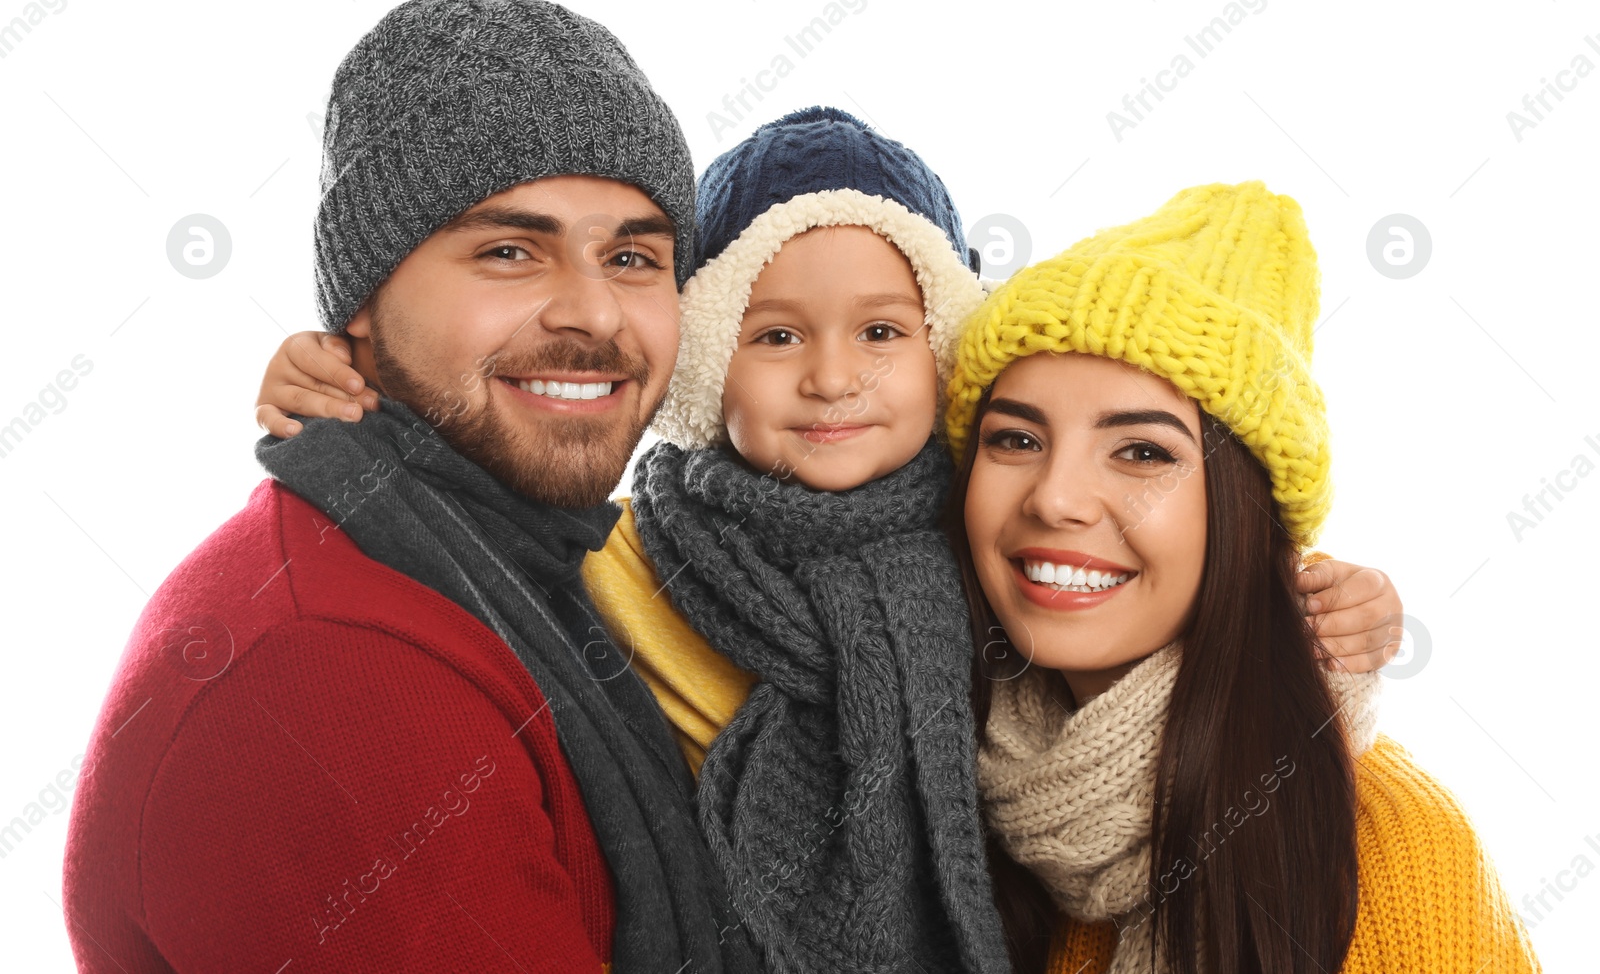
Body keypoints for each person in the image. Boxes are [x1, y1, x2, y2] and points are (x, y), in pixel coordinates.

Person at [258, 110, 1405, 972]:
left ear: (940, 351)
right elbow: (479, 520)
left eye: (882, 331)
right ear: (704, 362)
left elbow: (1183, 620)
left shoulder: (975, 550)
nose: (831, 376)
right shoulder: (623, 552)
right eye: (772, 334)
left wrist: (1335, 637)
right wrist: (360, 398)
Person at [64, 0, 757, 974]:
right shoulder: (331, 671)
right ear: (359, 304)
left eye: (634, 256)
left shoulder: (521, 575)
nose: (597, 315)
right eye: (509, 251)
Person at [943, 181, 1542, 973]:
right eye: (1015, 439)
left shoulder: (1382, 851)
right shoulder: (948, 781)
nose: (1053, 497)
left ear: (1243, 511)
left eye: (1143, 452)